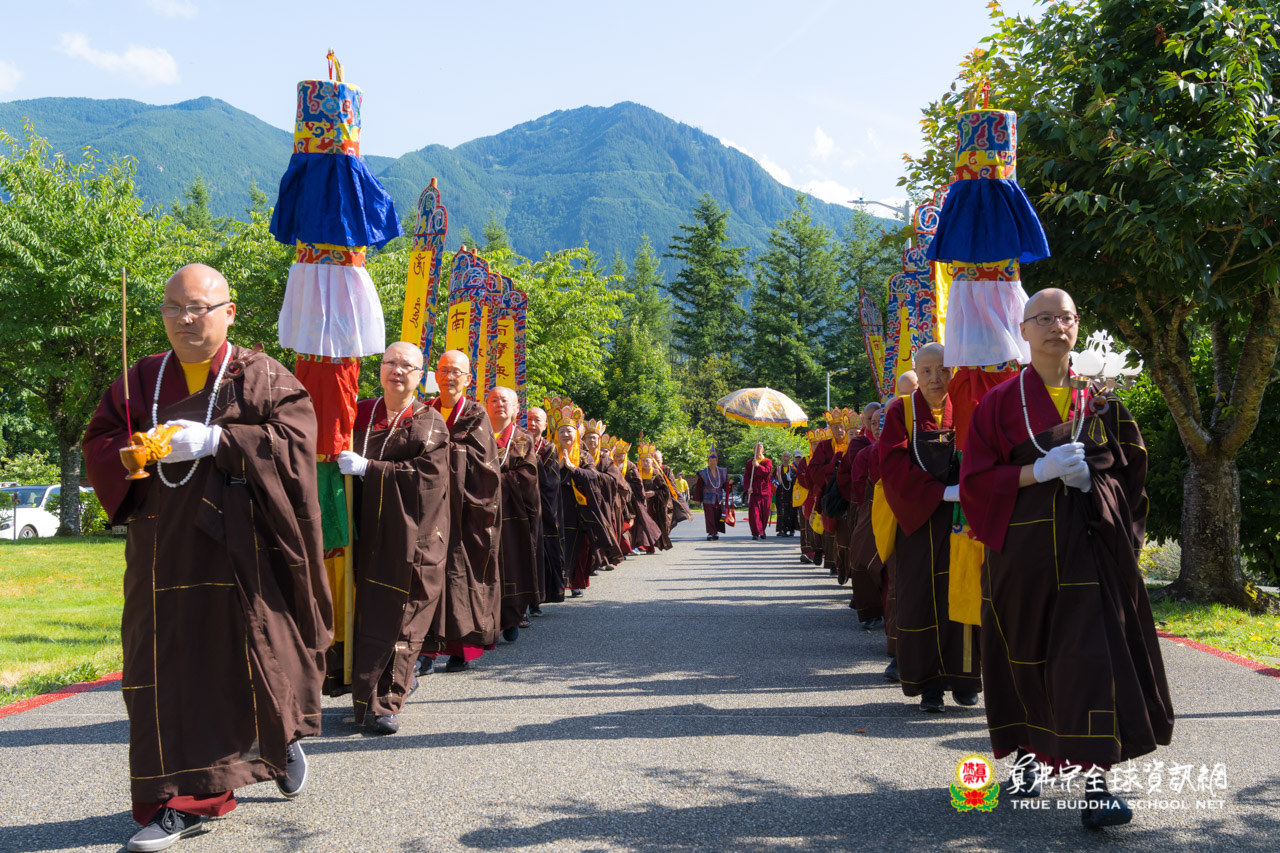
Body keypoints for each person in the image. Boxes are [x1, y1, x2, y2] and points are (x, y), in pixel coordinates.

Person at [83, 264, 331, 852]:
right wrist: (130, 454)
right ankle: (201, 783)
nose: (184, 319)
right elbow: (100, 439)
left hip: (238, 552)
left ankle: (209, 789)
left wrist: (220, 441)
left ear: (229, 312)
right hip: (160, 553)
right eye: (173, 308)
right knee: (159, 670)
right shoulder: (141, 379)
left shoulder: (261, 375)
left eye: (197, 307)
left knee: (236, 662)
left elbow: (298, 445)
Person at [961, 288, 1173, 827]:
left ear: (1077, 326)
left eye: (1067, 317)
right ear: (1024, 330)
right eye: (1045, 318)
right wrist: (1038, 471)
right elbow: (976, 482)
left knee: (1091, 661)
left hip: (1089, 552)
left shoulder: (1100, 401)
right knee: (1024, 656)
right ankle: (1028, 756)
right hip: (1023, 555)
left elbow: (1132, 475)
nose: (1058, 326)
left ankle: (1097, 788)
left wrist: (1093, 481)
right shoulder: (999, 403)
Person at [337, 342, 449, 735]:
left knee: (403, 618)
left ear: (420, 375)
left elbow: (428, 479)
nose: (397, 371)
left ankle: (387, 702)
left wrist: (370, 469)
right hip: (362, 532)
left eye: (407, 366)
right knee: (364, 611)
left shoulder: (430, 422)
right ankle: (359, 687)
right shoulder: (359, 412)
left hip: (411, 538)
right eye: (390, 363)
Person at [879, 342, 982, 713]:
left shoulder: (968, 407)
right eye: (926, 371)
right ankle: (929, 687)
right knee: (921, 601)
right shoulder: (902, 411)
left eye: (943, 369)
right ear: (916, 374)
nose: (936, 378)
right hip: (919, 522)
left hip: (962, 520)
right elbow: (892, 466)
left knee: (964, 596)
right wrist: (940, 492)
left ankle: (966, 679)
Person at [419, 349, 502, 673]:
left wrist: (439, 455)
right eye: (443, 370)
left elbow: (484, 465)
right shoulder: (425, 410)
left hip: (465, 512)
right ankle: (426, 650)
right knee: (426, 575)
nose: (448, 377)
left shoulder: (475, 414)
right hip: (429, 509)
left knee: (459, 576)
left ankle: (461, 647)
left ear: (468, 379)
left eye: (455, 371)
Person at [485, 386, 541, 643]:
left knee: (511, 564)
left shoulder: (522, 438)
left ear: (516, 408)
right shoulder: (476, 435)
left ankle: (512, 616)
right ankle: (486, 621)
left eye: (504, 400)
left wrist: (489, 479)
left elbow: (527, 477)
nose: (499, 404)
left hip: (512, 513)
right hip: (478, 510)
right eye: (494, 400)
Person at [545, 398, 616, 597]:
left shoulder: (584, 455)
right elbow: (541, 478)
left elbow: (594, 476)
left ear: (576, 434)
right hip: (555, 507)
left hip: (579, 509)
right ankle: (558, 584)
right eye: (561, 431)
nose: (565, 434)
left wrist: (573, 468)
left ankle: (576, 583)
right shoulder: (550, 454)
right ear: (556, 434)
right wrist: (558, 468)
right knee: (556, 546)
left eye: (569, 431)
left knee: (579, 547)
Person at [840, 403, 884, 626]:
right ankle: (869, 608)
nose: (876, 426)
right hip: (868, 506)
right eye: (872, 421)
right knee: (862, 556)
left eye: (881, 421)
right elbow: (857, 482)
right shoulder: (861, 446)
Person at [525, 406, 563, 613]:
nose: (532, 424)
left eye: (537, 420)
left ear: (545, 425)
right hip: (518, 503)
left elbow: (550, 481)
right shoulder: (518, 440)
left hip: (540, 506)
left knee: (540, 551)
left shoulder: (548, 447)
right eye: (529, 419)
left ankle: (537, 599)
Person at [808, 410, 853, 572]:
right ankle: (834, 563)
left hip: (850, 492)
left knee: (849, 529)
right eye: (835, 428)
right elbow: (813, 469)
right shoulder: (824, 446)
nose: (839, 431)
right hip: (831, 492)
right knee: (832, 528)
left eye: (841, 427)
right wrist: (832, 469)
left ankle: (848, 565)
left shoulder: (854, 443)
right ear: (830, 429)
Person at [619, 439, 663, 554]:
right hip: (639, 502)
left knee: (649, 524)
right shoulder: (635, 472)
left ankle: (650, 546)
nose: (645, 463)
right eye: (643, 461)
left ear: (652, 461)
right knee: (639, 524)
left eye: (647, 461)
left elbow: (664, 490)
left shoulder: (656, 474)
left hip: (653, 505)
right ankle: (639, 546)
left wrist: (654, 493)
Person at [691, 448, 731, 540]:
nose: (712, 462)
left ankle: (716, 532)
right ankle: (710, 532)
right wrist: (697, 499)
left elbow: (725, 484)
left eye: (714, 460)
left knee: (718, 516)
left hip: (718, 498)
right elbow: (699, 486)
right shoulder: (703, 473)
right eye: (710, 460)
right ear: (708, 461)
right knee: (709, 516)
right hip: (707, 498)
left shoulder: (722, 472)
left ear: (717, 461)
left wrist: (729, 484)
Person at [743, 443, 774, 540]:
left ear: (763, 449)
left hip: (765, 491)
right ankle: (756, 532)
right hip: (754, 491)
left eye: (760, 448)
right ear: (753, 450)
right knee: (754, 513)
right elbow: (746, 477)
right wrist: (748, 488)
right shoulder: (750, 462)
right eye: (756, 448)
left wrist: (758, 466)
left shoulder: (767, 461)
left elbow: (767, 472)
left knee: (764, 513)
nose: (758, 450)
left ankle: (762, 530)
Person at [772, 451, 798, 537]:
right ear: (782, 458)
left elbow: (796, 481)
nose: (786, 458)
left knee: (790, 512)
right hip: (780, 494)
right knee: (781, 512)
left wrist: (792, 479)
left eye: (787, 457)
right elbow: (772, 479)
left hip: (790, 495)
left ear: (790, 458)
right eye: (784, 457)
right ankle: (781, 529)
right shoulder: (778, 469)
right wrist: (775, 482)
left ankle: (791, 529)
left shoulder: (792, 469)